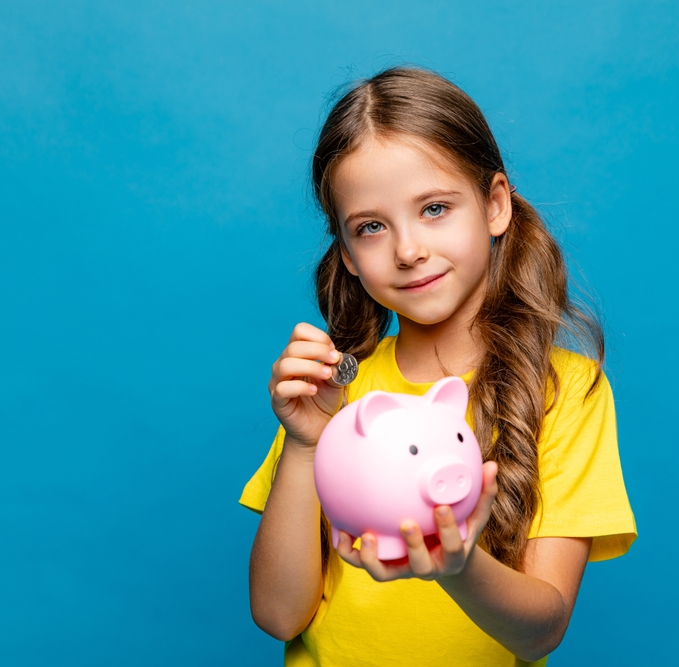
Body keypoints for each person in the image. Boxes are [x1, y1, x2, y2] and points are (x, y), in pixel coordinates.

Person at [240, 66, 637, 666]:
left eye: (433, 209)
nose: (407, 250)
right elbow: (277, 614)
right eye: (371, 227)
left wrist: (457, 566)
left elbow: (541, 630)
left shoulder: (565, 390)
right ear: (346, 255)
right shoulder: (337, 395)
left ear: (495, 205)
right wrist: (303, 445)